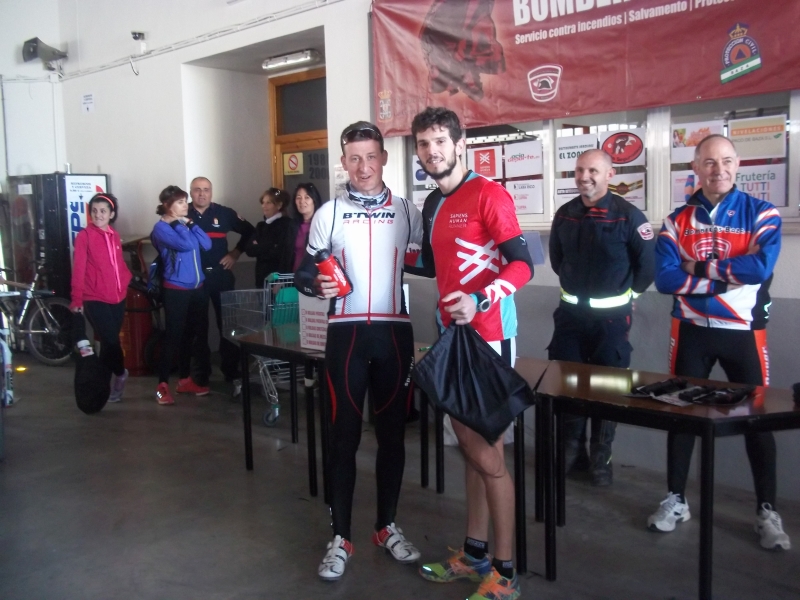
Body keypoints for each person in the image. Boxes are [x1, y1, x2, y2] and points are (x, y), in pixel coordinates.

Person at [408, 107, 533, 600]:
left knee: (488, 454)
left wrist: (481, 299)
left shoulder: (489, 194)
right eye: (424, 144)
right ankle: (474, 553)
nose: (432, 151)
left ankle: (505, 572)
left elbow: (522, 265)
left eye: (440, 141)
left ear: (460, 144)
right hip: (451, 336)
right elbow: (429, 264)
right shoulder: (432, 203)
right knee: (468, 447)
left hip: (490, 337)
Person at [295, 121, 423, 582]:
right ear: (343, 162)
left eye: (371, 157)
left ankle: (386, 526)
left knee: (392, 437)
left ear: (383, 158)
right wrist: (317, 284)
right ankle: (341, 537)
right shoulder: (328, 214)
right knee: (342, 438)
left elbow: (427, 262)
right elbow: (303, 273)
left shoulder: (408, 211)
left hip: (394, 336)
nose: (363, 167)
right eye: (354, 158)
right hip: (345, 337)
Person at [651, 134, 790, 550]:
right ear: (695, 167)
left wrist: (698, 268)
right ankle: (676, 500)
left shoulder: (762, 213)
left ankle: (766, 511)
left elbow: (759, 268)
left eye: (727, 161)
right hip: (690, 330)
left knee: (758, 421)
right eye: (710, 162)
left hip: (744, 332)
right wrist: (726, 279)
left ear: (737, 164)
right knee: (680, 416)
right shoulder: (676, 221)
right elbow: (666, 279)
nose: (719, 170)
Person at [548, 149, 655, 486]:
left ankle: (600, 457)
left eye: (593, 170)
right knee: (569, 385)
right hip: (570, 319)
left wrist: (629, 298)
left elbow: (647, 268)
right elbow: (557, 261)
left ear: (610, 174)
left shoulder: (629, 216)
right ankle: (572, 450)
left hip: (611, 324)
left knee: (608, 390)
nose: (585, 177)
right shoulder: (565, 214)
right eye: (579, 170)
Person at [188, 177, 254, 384]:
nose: (202, 194)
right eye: (197, 190)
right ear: (190, 192)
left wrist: (236, 253)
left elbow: (250, 231)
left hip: (221, 275)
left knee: (228, 323)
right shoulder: (182, 213)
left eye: (206, 189)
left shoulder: (224, 213)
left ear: (211, 192)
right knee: (198, 326)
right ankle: (201, 373)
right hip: (194, 278)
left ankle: (231, 370)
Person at [150, 185, 212, 405]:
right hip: (176, 290)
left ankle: (184, 380)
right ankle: (161, 387)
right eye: (179, 202)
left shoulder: (185, 223)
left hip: (197, 288)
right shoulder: (161, 228)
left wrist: (190, 224)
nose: (185, 205)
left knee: (189, 336)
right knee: (173, 337)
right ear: (167, 205)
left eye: (185, 201)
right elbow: (186, 245)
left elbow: (207, 244)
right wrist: (178, 224)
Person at [70, 193, 133, 402]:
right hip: (94, 297)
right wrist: (76, 299)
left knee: (108, 344)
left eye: (103, 211)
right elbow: (79, 269)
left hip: (118, 297)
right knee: (111, 341)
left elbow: (117, 263)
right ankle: (121, 374)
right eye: (94, 211)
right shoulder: (84, 236)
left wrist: (126, 279)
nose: (98, 215)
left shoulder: (114, 235)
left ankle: (101, 391)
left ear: (111, 214)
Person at [245, 187, 296, 288]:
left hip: (279, 281)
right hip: (261, 280)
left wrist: (259, 246)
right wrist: (270, 246)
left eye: (268, 203)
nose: (264, 206)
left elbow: (284, 254)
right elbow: (249, 250)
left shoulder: (287, 225)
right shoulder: (260, 226)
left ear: (279, 205)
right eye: (263, 202)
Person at [290, 183, 323, 272]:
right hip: (293, 276)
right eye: (298, 197)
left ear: (314, 200)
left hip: (313, 277)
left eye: (307, 197)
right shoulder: (291, 226)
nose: (302, 201)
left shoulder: (322, 225)